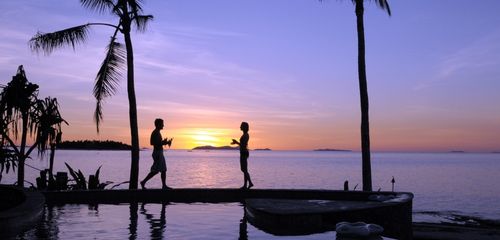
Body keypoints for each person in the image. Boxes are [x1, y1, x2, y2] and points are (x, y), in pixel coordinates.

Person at [141, 118, 173, 190]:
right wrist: (164, 142)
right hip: (157, 153)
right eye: (162, 124)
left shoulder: (157, 132)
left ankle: (162, 185)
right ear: (158, 124)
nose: (163, 125)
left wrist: (164, 142)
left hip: (159, 153)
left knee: (160, 170)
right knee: (159, 170)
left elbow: (157, 142)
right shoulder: (155, 132)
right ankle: (163, 186)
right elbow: (152, 143)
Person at [231, 122, 254, 189]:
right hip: (243, 152)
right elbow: (243, 145)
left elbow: (243, 145)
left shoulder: (246, 135)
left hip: (244, 153)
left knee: (244, 169)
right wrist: (236, 143)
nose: (240, 127)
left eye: (241, 126)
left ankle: (250, 183)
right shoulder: (245, 134)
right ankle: (245, 185)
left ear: (244, 127)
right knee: (244, 169)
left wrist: (236, 142)